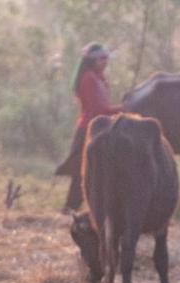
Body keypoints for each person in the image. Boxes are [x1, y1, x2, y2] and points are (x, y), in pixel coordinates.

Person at [56, 42, 121, 212]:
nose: (105, 62)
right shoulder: (89, 79)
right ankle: (70, 208)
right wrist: (123, 108)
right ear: (92, 61)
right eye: (102, 59)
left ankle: (91, 207)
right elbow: (99, 109)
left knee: (97, 171)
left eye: (106, 58)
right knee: (80, 172)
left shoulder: (99, 78)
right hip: (88, 129)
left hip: (100, 128)